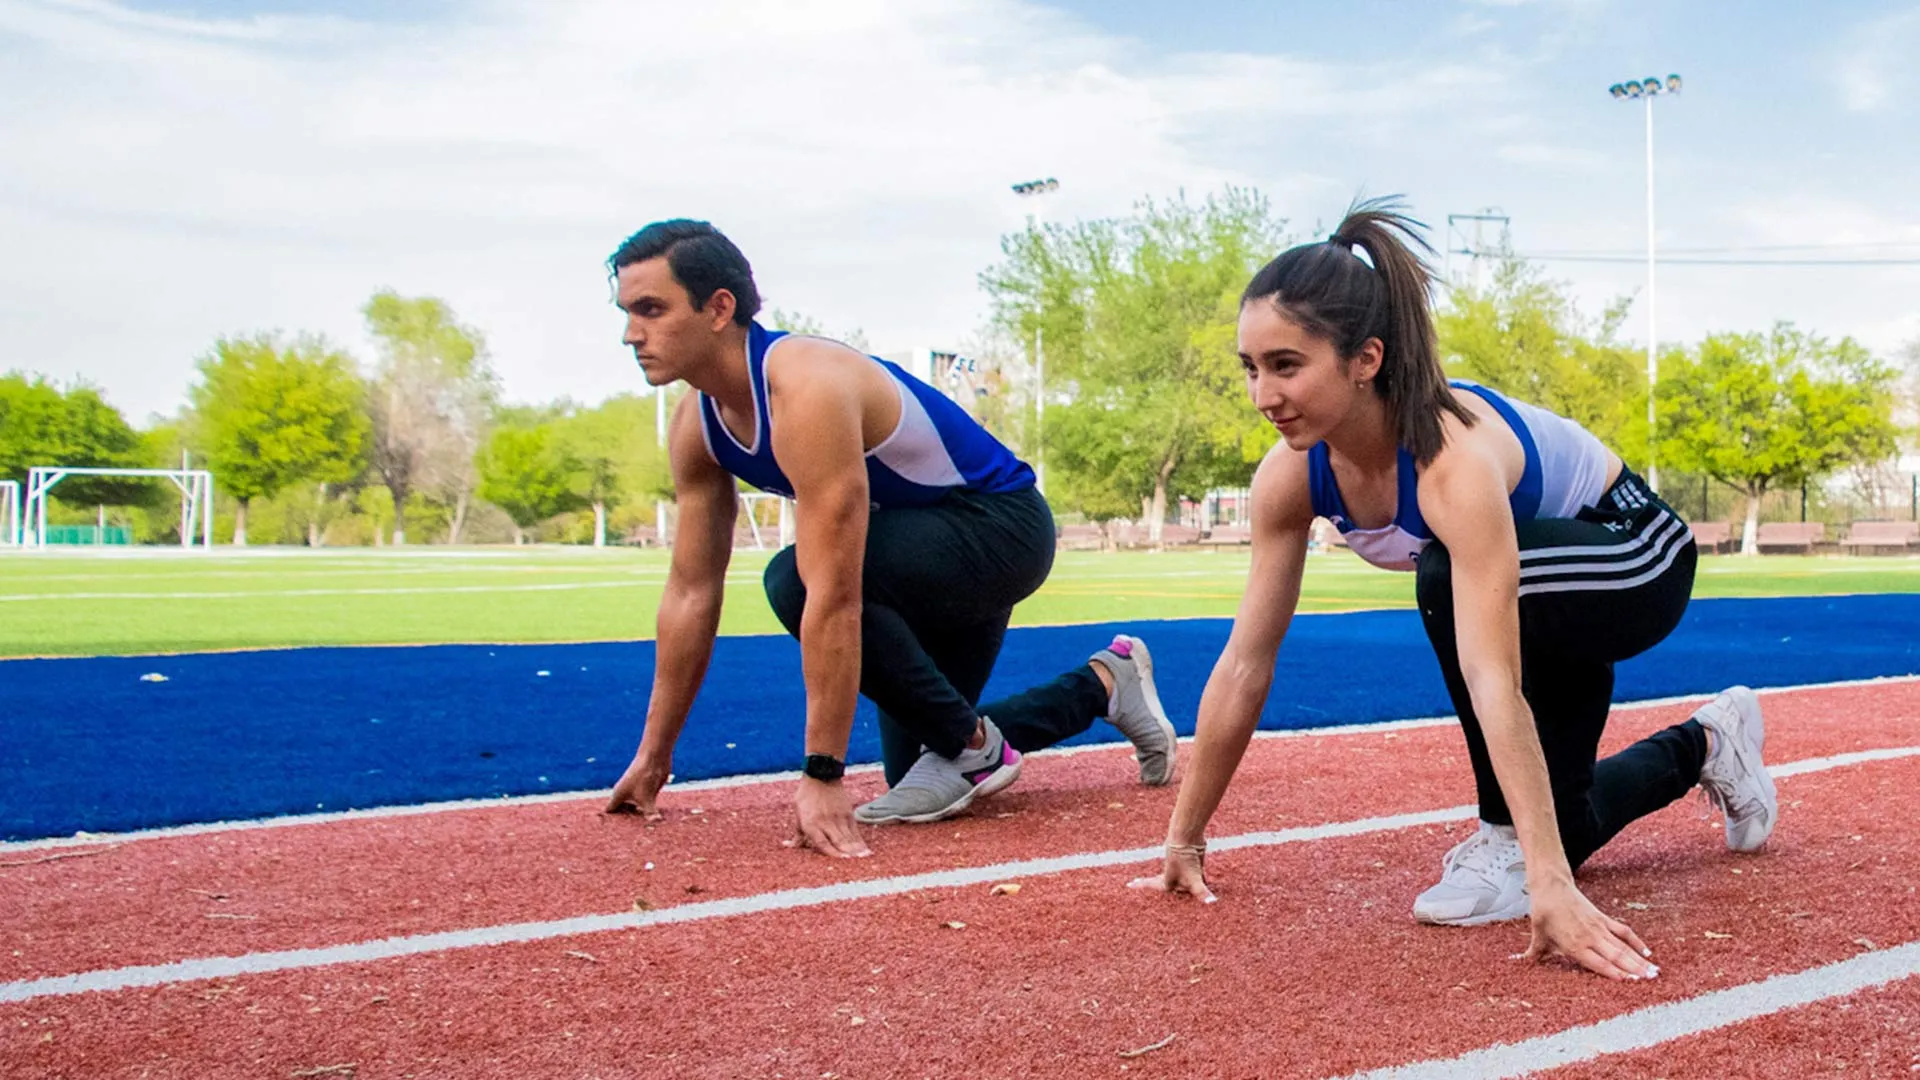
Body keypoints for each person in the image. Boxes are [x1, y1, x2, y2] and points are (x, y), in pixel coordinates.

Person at [1130, 200, 1778, 981]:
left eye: (1287, 365)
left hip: (1636, 559)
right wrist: (1184, 837)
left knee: (1445, 584)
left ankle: (1506, 837)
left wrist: (1546, 884)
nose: (1263, 394)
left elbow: (1490, 674)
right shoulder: (1289, 476)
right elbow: (1245, 664)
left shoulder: (1449, 462)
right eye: (1251, 367)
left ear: (1366, 358)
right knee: (1562, 826)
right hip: (1544, 598)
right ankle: (1712, 741)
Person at [600, 219, 1178, 857]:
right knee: (929, 767)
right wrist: (655, 759)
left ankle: (976, 745)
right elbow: (690, 592)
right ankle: (1103, 683)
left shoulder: (807, 386)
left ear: (719, 308)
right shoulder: (696, 426)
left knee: (793, 578)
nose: (631, 333)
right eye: (626, 312)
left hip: (998, 529)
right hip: (915, 558)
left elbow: (835, 590)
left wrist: (823, 774)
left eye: (650, 310)